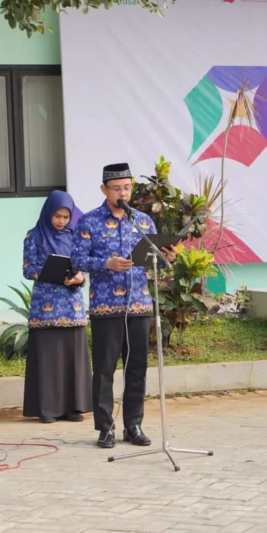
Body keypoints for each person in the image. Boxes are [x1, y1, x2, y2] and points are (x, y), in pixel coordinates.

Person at [72, 163, 175, 449]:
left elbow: (156, 260)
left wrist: (169, 255)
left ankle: (134, 425)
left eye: (127, 188)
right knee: (104, 369)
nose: (123, 193)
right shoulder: (89, 222)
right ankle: (105, 428)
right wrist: (106, 263)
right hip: (106, 307)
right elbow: (77, 260)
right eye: (117, 189)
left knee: (137, 367)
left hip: (139, 305)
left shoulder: (143, 221)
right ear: (104, 189)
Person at [22, 190, 94, 424]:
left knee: (72, 357)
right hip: (46, 306)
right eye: (57, 216)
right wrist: (47, 273)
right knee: (48, 358)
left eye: (65, 216)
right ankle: (47, 408)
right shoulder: (33, 235)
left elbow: (83, 266)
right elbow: (27, 268)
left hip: (71, 306)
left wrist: (79, 279)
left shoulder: (76, 236)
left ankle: (74, 407)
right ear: (48, 212)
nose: (61, 221)